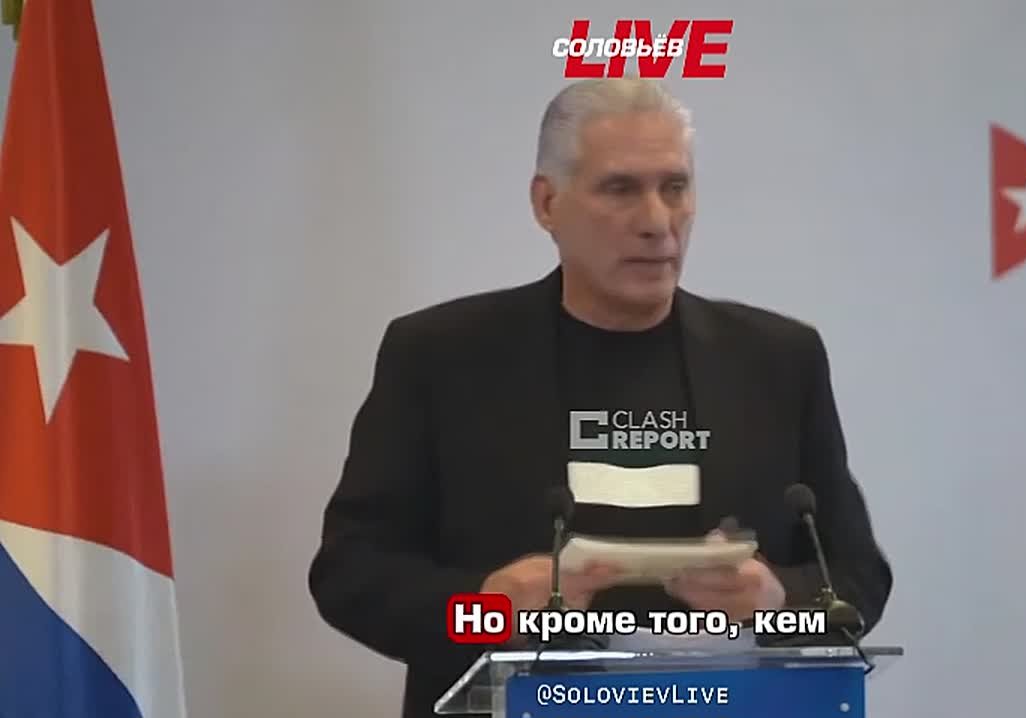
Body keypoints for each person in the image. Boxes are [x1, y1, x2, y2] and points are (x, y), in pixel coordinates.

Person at [307, 78, 892, 718]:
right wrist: (485, 608)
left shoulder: (777, 360)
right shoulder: (440, 357)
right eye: (620, 189)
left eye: (675, 187)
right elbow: (351, 575)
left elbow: (857, 579)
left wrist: (778, 606)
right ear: (547, 203)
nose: (657, 222)